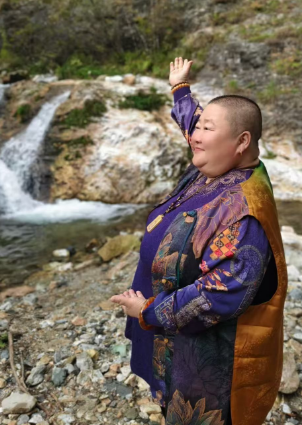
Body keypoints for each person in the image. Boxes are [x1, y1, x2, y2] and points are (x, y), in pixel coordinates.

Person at [110, 57, 288, 425]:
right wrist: (180, 88)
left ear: (242, 141)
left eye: (207, 128)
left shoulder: (244, 214)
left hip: (211, 361)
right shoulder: (223, 158)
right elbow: (193, 124)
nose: (195, 135)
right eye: (199, 125)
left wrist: (146, 312)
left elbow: (217, 296)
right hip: (170, 336)